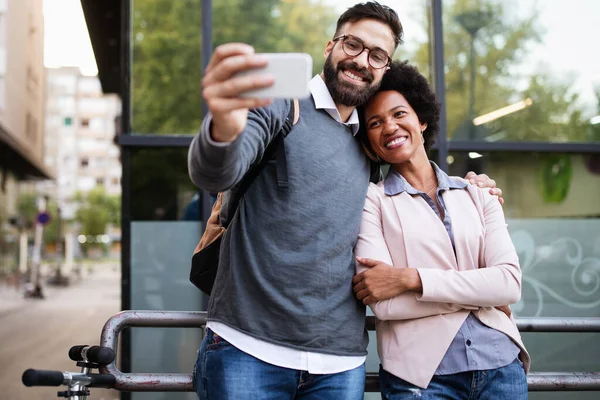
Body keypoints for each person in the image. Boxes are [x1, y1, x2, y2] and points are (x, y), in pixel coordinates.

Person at [188, 2, 502, 399]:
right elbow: (215, 173)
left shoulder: (370, 141)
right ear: (330, 47)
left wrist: (472, 187)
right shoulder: (282, 103)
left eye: (377, 55)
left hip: (339, 365)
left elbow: (420, 201)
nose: (361, 61)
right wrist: (223, 127)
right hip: (246, 348)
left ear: (385, 69)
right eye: (352, 45)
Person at [353, 60, 530, 399]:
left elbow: (508, 283)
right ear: (370, 142)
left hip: (500, 366)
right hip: (420, 379)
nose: (389, 127)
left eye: (399, 114)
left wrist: (410, 279)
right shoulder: (371, 201)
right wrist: (480, 295)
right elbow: (385, 303)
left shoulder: (479, 193)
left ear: (421, 119)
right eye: (375, 123)